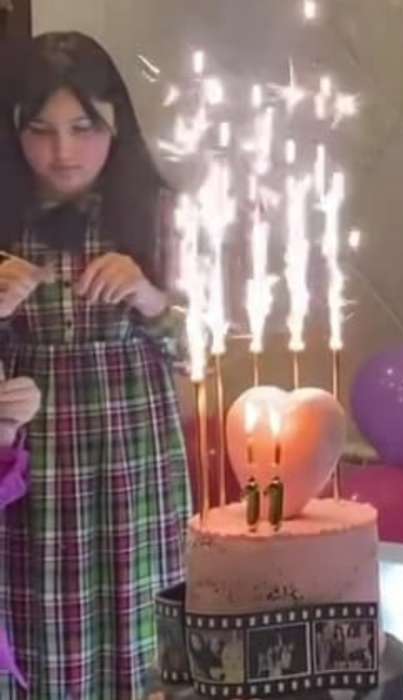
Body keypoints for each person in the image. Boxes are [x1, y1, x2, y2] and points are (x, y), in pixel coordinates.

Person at [0, 32, 190, 698]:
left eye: (84, 128)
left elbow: (207, 354)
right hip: (33, 475)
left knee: (145, 636)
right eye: (40, 130)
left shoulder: (159, 215)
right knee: (44, 637)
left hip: (138, 467)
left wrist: (150, 298)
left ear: (117, 124)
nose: (63, 152)